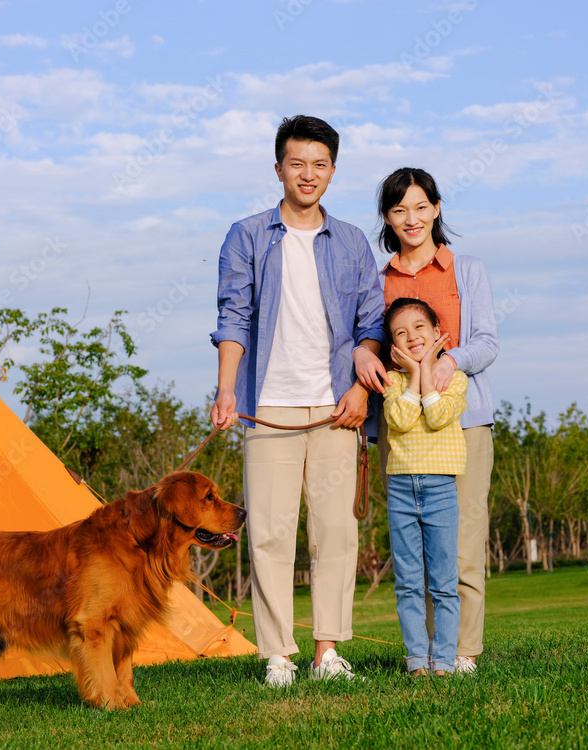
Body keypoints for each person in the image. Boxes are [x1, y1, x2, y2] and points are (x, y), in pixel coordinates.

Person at [210, 115, 386, 687]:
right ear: (279, 168)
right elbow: (233, 314)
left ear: (332, 171)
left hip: (337, 409)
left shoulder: (354, 241)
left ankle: (327, 651)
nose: (307, 174)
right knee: (268, 531)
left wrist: (361, 390)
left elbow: (372, 323)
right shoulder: (248, 235)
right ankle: (277, 655)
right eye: (297, 163)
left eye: (319, 164)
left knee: (335, 533)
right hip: (269, 407)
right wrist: (225, 390)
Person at [355, 167, 497, 675]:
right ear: (387, 219)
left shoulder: (468, 270)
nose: (410, 219)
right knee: (415, 551)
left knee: (461, 542)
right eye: (398, 210)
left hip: (465, 421)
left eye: (420, 207)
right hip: (400, 427)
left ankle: (462, 654)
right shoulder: (377, 280)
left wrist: (448, 361)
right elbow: (371, 341)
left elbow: (487, 341)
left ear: (436, 208)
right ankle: (425, 654)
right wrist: (360, 355)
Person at [382, 297, 467, 676]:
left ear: (437, 333)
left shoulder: (455, 379)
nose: (412, 336)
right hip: (401, 490)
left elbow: (436, 415)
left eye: (419, 328)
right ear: (394, 347)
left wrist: (428, 370)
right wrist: (415, 374)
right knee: (409, 582)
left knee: (445, 582)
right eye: (401, 333)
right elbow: (400, 419)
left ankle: (445, 661)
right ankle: (417, 660)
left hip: (440, 488)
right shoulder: (392, 382)